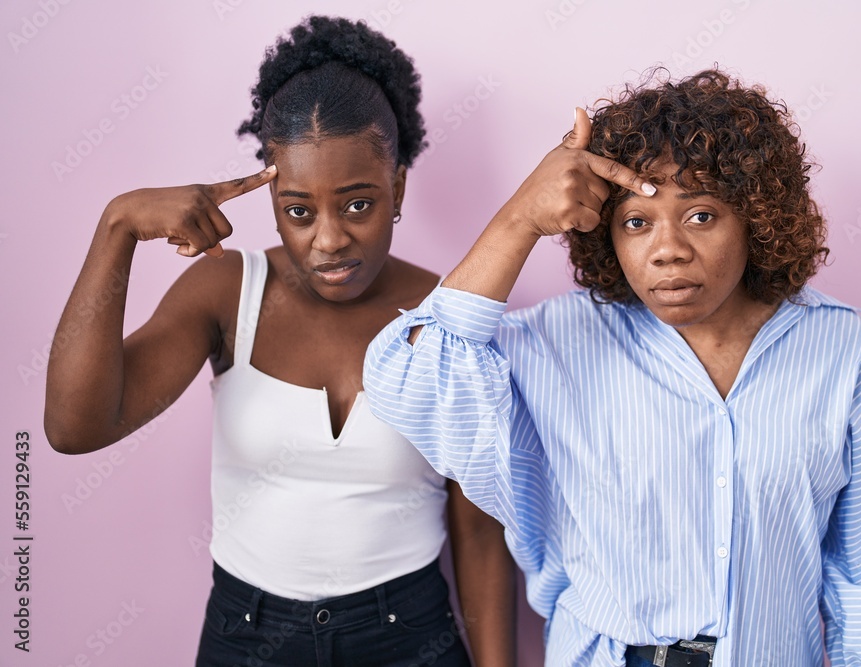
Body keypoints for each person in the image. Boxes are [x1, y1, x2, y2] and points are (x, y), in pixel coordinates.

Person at [364, 69, 861, 666]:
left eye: (701, 216)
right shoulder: (556, 342)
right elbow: (407, 381)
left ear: (756, 217)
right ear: (606, 235)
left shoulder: (840, 351)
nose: (668, 249)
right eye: (637, 222)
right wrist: (519, 220)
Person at [44, 16, 516, 667]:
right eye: (299, 210)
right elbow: (75, 426)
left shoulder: (446, 313)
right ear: (270, 194)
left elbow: (479, 528)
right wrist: (117, 225)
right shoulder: (224, 292)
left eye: (357, 204)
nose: (328, 239)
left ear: (398, 186)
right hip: (246, 637)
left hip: (409, 634)